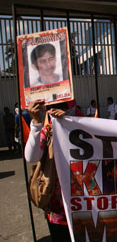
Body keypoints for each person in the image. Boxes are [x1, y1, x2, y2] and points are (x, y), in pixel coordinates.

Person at [25, 99, 82, 242]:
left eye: (63, 108)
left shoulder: (84, 129)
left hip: (86, 208)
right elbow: (31, 157)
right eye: (52, 108)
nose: (56, 112)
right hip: (58, 211)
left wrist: (70, 123)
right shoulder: (48, 130)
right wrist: (36, 124)